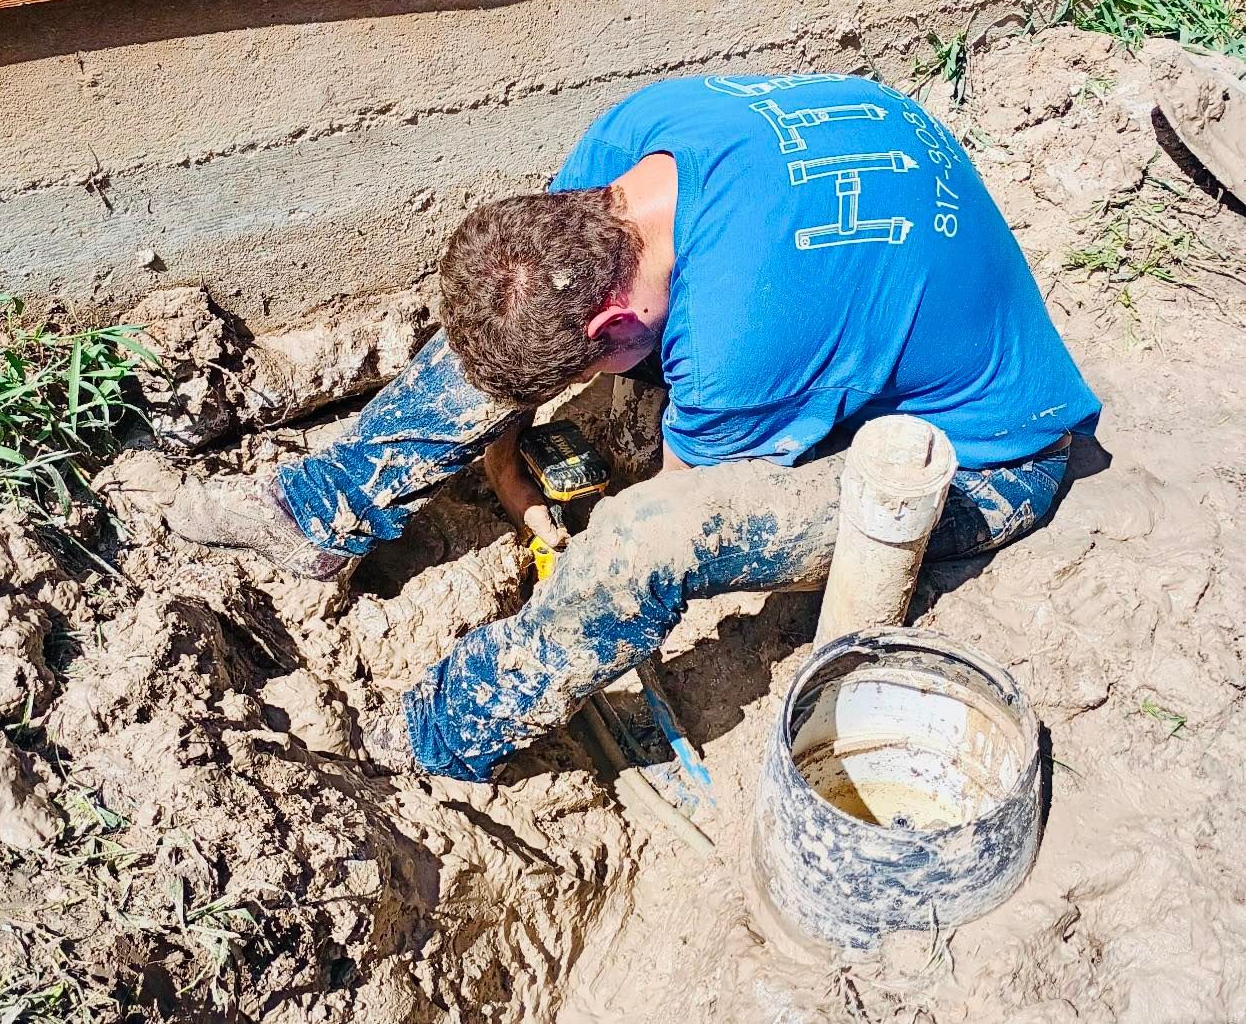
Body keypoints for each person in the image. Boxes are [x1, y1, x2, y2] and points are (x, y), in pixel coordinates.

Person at [169, 70, 1099, 781]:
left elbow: (670, 509)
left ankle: (447, 729)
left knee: (647, 542)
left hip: (985, 457)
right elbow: (530, 306)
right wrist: (509, 445)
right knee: (510, 320)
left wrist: (547, 522)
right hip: (847, 262)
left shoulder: (742, 338)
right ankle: (318, 510)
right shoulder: (623, 147)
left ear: (617, 331)